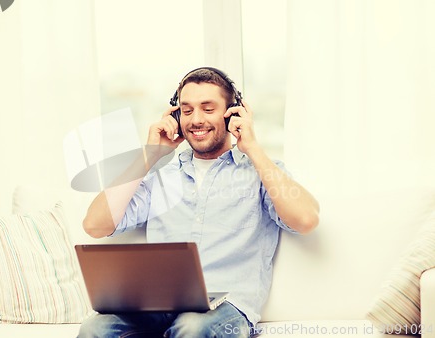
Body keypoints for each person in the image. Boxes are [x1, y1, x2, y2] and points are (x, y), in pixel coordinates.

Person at [78, 67, 320, 338]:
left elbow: (306, 219)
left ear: (233, 114)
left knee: (191, 328)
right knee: (94, 329)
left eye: (208, 109)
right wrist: (149, 155)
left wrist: (252, 147)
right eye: (187, 110)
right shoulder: (162, 177)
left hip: (225, 309)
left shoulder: (260, 173)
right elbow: (94, 225)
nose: (196, 120)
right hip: (159, 306)